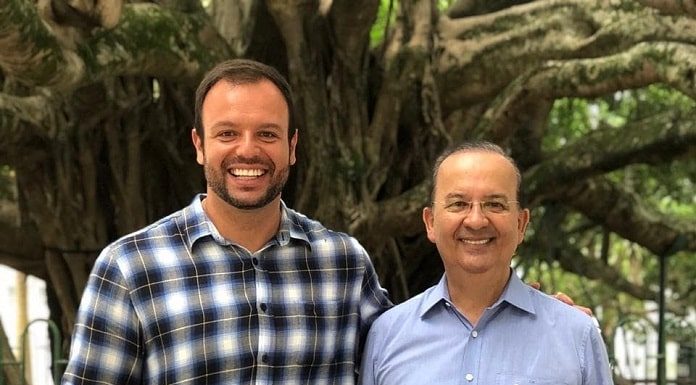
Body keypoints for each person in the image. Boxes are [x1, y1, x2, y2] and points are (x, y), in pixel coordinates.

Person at [61, 59, 392, 385]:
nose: (247, 150)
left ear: (292, 147)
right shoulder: (130, 268)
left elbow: (407, 358)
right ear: (199, 145)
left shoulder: (344, 263)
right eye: (227, 133)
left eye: (266, 134)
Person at [359, 141, 614, 385]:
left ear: (521, 224)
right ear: (430, 223)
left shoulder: (575, 335)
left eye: (495, 204)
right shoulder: (387, 335)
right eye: (459, 204)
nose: (476, 221)